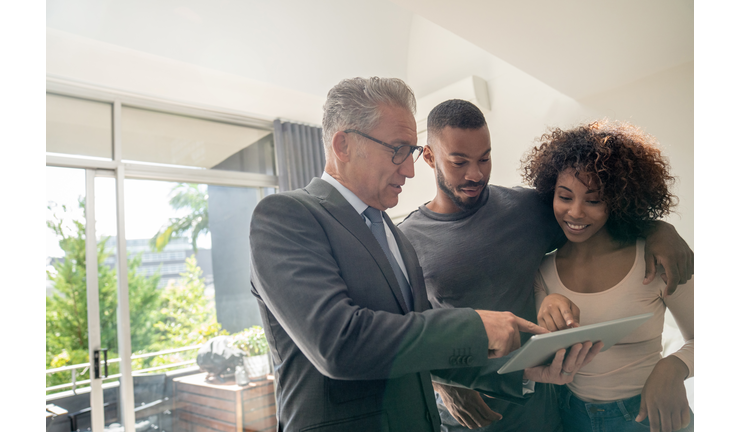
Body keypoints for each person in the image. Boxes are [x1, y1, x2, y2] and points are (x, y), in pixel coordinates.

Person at [249, 78, 597, 432]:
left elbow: (413, 351)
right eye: (397, 150)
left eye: (411, 152)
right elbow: (339, 343)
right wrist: (475, 326)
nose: (410, 169)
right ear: (344, 144)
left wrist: (518, 370)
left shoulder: (393, 236)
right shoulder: (285, 215)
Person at [397, 100, 694, 431]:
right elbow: (398, 337)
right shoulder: (404, 241)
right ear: (428, 156)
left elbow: (598, 217)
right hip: (468, 417)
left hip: (547, 412)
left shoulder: (527, 208)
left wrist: (659, 229)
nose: (476, 174)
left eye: (485, 158)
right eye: (458, 162)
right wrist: (442, 382)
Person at [523, 120, 693, 432]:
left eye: (593, 200)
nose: (575, 212)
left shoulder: (656, 259)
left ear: (617, 201)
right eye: (564, 196)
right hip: (569, 416)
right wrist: (546, 307)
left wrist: (674, 366)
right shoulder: (541, 270)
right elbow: (538, 355)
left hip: (648, 414)